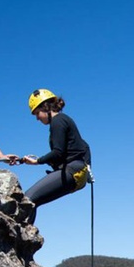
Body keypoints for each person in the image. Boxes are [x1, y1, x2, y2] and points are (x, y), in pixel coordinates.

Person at [20, 89, 92, 221]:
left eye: (37, 113)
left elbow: (58, 152)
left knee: (27, 199)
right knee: (34, 201)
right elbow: (84, 146)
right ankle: (26, 236)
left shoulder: (57, 122)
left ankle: (20, 239)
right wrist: (87, 168)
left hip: (71, 171)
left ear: (45, 107)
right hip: (77, 172)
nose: (37, 118)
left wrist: (37, 161)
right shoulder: (65, 120)